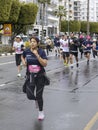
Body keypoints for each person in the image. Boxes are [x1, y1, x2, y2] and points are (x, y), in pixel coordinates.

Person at [21, 36, 48, 120]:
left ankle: (41, 112)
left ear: (37, 43)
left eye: (34, 42)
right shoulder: (27, 51)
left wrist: (37, 55)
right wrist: (24, 62)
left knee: (39, 95)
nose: (32, 43)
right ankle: (35, 100)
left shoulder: (41, 51)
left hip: (40, 76)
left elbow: (45, 64)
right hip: (30, 76)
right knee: (29, 95)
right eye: (31, 41)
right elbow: (22, 56)